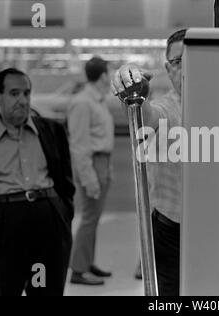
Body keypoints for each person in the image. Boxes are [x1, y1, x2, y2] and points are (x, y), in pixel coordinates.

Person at [0, 68, 75, 296]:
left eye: (26, 93)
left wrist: (62, 215)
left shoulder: (52, 131)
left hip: (47, 226)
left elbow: (65, 182)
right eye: (14, 93)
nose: (22, 100)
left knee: (45, 290)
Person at [112, 29, 186, 296]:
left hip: (217, 229)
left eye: (192, 60)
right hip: (170, 229)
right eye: (178, 62)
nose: (185, 69)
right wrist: (133, 92)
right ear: (168, 68)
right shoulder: (166, 108)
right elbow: (145, 117)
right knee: (171, 294)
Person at [67, 56, 114, 286]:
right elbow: (79, 145)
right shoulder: (83, 103)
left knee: (94, 217)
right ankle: (78, 269)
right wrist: (89, 178)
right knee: (88, 218)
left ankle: (87, 262)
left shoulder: (98, 100)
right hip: (92, 164)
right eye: (110, 72)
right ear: (103, 75)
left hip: (102, 162)